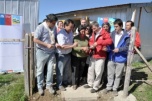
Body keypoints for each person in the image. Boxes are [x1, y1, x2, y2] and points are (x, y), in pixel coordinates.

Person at [103, 19, 130, 96]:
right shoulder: (112, 34)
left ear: (121, 26)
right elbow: (109, 45)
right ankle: (109, 87)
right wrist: (107, 49)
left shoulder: (126, 36)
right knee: (110, 74)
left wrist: (119, 49)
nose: (115, 28)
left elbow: (128, 47)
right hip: (111, 57)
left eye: (117, 26)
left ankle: (115, 88)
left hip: (121, 58)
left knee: (118, 75)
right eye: (114, 27)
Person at [84, 21, 112, 93]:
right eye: (92, 29)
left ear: (98, 27)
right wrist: (91, 46)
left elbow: (109, 41)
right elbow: (91, 41)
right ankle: (90, 83)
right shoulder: (93, 33)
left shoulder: (104, 33)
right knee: (90, 70)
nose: (93, 30)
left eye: (94, 28)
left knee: (98, 72)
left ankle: (95, 87)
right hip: (93, 54)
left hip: (101, 55)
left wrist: (99, 42)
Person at [34, 14, 58, 95]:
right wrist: (46, 44)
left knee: (50, 70)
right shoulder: (40, 27)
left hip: (51, 52)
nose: (55, 25)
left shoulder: (54, 28)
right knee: (40, 70)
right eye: (53, 23)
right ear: (49, 22)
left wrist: (56, 43)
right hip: (41, 51)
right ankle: (40, 86)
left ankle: (49, 85)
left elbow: (55, 37)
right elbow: (35, 39)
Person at [56, 19, 77, 91]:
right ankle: (59, 85)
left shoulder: (70, 32)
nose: (72, 28)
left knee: (66, 70)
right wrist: (73, 46)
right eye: (70, 27)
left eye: (72, 27)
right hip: (61, 55)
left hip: (68, 54)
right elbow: (63, 47)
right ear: (65, 26)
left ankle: (64, 82)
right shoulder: (61, 34)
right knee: (60, 71)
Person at [71, 25, 89, 90]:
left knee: (81, 69)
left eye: (84, 31)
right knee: (75, 70)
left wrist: (87, 49)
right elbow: (74, 47)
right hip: (76, 56)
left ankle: (78, 82)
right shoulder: (75, 38)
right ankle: (74, 83)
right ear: (79, 31)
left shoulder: (87, 39)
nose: (83, 32)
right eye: (81, 31)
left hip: (84, 57)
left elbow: (89, 46)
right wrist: (82, 48)